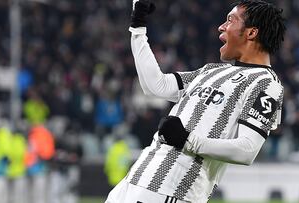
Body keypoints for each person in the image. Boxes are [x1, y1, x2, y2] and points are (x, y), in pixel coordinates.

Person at [105, 0, 286, 202]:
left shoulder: (266, 84)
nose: (222, 26)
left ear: (251, 33)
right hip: (135, 178)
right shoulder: (211, 70)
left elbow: (247, 150)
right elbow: (156, 86)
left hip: (172, 189)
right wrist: (138, 27)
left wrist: (187, 139)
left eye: (230, 20)